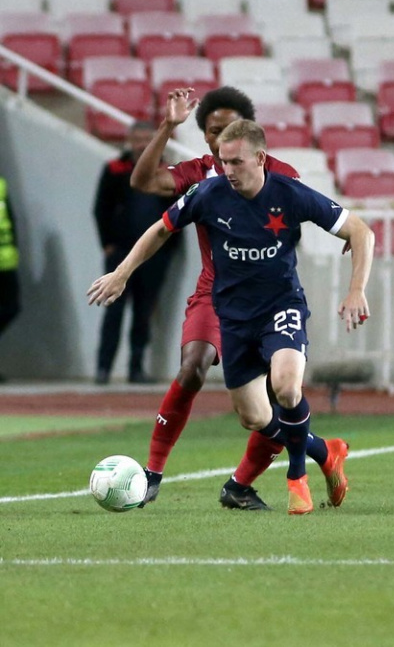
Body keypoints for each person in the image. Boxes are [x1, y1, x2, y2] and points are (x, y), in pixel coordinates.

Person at [90, 120, 374, 515]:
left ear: (260, 158)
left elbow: (361, 231)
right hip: (234, 319)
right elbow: (160, 229)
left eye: (236, 162)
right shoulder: (208, 194)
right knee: (254, 416)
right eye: (223, 162)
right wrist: (121, 273)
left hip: (281, 307)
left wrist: (356, 288)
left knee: (288, 388)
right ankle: (326, 453)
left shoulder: (289, 193)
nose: (229, 170)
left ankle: (297, 479)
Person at [129, 86, 336, 511]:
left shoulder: (280, 175)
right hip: (214, 292)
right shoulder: (204, 174)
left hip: (268, 299)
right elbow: (144, 181)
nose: (216, 141)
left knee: (274, 399)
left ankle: (242, 484)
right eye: (209, 132)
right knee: (192, 368)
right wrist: (168, 126)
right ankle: (152, 473)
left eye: (224, 131)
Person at [92, 121, 180, 385]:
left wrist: (168, 250)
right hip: (119, 252)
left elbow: (179, 213)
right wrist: (107, 244)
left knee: (143, 312)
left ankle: (136, 369)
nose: (142, 144)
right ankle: (103, 368)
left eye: (147, 139)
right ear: (129, 140)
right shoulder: (114, 169)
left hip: (155, 257)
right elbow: (101, 209)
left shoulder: (168, 172)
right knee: (113, 310)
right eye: (138, 138)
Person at [0, 173, 19, 382]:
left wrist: (15, 248)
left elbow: (10, 220)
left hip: (6, 259)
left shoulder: (1, 184)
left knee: (12, 307)